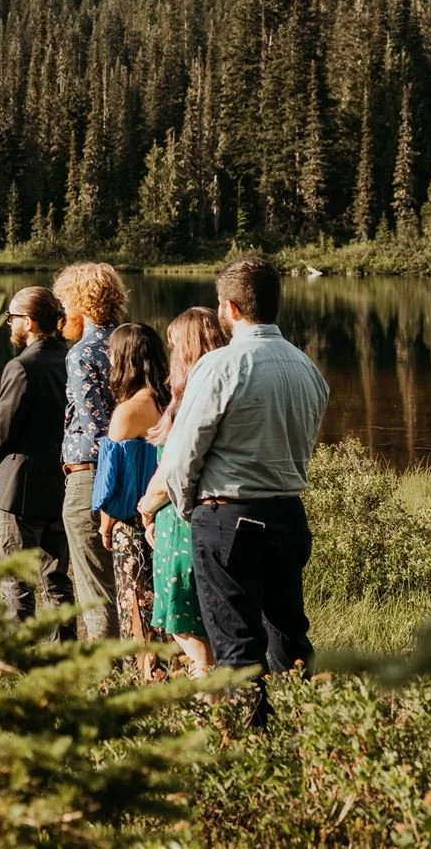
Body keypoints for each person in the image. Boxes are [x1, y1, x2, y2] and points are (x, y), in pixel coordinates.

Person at [158, 256, 330, 730]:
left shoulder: (219, 366)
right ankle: (303, 732)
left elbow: (180, 458)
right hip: (287, 515)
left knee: (236, 643)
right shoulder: (306, 368)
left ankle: (251, 747)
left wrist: (189, 509)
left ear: (230, 307)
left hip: (227, 517)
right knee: (289, 634)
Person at [137, 307, 228, 676]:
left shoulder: (190, 400)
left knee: (184, 618)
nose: (171, 356)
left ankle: (207, 694)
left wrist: (146, 506)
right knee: (207, 617)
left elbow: (176, 467)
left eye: (175, 347)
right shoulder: (220, 389)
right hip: (203, 517)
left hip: (180, 519)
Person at [0, 286, 73, 628]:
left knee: (16, 578)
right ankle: (64, 654)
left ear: (31, 322)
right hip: (61, 483)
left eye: (12, 318)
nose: (9, 325)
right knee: (57, 578)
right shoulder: (71, 361)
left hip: (20, 486)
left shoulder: (22, 367)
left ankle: (18, 658)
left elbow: (2, 426)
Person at [52, 261, 128, 641]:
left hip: (91, 477)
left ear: (81, 304)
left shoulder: (82, 354)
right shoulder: (132, 343)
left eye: (65, 304)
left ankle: (105, 680)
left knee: (95, 588)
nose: (62, 315)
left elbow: (97, 428)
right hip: (137, 477)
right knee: (129, 582)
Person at [93, 322, 170, 679]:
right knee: (168, 607)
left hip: (133, 526)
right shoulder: (172, 401)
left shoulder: (127, 411)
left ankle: (147, 682)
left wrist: (106, 526)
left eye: (111, 354)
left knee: (137, 607)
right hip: (168, 520)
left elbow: (114, 484)